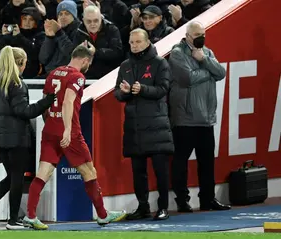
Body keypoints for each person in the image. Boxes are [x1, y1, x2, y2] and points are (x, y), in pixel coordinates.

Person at [22, 45, 127, 230]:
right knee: (89, 172)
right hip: (70, 133)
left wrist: (50, 123)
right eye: (89, 63)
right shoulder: (77, 77)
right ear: (85, 60)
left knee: (42, 174)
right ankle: (103, 215)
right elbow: (68, 101)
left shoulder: (53, 73)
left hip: (50, 130)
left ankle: (30, 216)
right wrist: (67, 129)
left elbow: (45, 101)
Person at [0, 46, 56, 230]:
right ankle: (13, 220)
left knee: (12, 176)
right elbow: (24, 111)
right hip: (16, 139)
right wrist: (47, 101)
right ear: (20, 64)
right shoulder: (17, 84)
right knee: (17, 178)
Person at [168, 21, 230, 212]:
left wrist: (203, 60)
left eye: (202, 33)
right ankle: (182, 200)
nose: (200, 37)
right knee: (180, 162)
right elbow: (187, 79)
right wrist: (208, 71)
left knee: (207, 162)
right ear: (187, 36)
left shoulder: (207, 53)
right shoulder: (177, 53)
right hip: (184, 118)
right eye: (196, 34)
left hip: (206, 119)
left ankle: (208, 199)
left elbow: (221, 72)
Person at [114, 28, 173, 221]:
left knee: (160, 170)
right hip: (135, 126)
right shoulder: (125, 65)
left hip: (157, 126)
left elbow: (163, 89)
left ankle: (163, 207)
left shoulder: (160, 63)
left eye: (138, 42)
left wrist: (142, 89)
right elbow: (117, 93)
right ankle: (143, 207)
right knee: (138, 171)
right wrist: (125, 92)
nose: (134, 45)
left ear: (147, 42)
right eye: (131, 42)